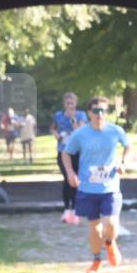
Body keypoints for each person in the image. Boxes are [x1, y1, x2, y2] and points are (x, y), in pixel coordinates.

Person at [62, 97, 131, 273]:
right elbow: (66, 153)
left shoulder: (115, 131)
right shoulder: (80, 134)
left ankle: (110, 243)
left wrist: (123, 162)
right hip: (88, 188)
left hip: (110, 187)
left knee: (111, 222)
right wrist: (70, 173)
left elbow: (128, 145)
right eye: (95, 111)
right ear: (89, 113)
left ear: (106, 113)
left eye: (103, 111)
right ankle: (96, 260)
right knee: (95, 227)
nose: (99, 114)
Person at [51, 92, 88, 225]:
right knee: (67, 179)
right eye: (67, 104)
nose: (70, 106)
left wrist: (73, 119)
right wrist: (56, 135)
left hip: (77, 152)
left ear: (75, 104)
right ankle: (67, 208)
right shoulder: (58, 115)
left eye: (72, 103)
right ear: (64, 104)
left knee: (76, 179)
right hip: (63, 150)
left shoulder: (81, 115)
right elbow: (53, 128)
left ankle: (76, 209)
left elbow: (80, 131)